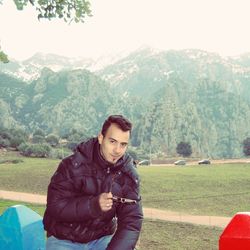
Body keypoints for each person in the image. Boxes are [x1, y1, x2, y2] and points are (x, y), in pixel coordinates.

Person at [43, 115, 143, 250]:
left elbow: (131, 222)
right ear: (101, 138)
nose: (117, 150)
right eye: (112, 141)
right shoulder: (72, 165)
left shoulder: (128, 174)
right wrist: (93, 206)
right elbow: (55, 207)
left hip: (101, 239)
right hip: (64, 238)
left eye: (123, 144)